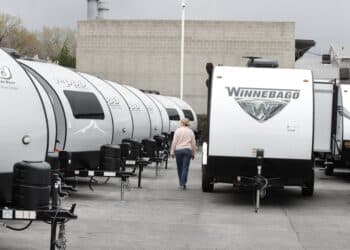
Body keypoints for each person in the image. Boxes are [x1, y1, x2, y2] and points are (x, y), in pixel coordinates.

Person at [170, 118, 197, 190]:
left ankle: (181, 184)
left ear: (181, 123)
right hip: (187, 150)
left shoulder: (177, 131)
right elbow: (193, 143)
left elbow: (174, 142)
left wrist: (172, 152)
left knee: (179, 168)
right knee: (185, 168)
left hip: (178, 150)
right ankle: (183, 183)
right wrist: (193, 153)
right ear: (188, 124)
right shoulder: (190, 131)